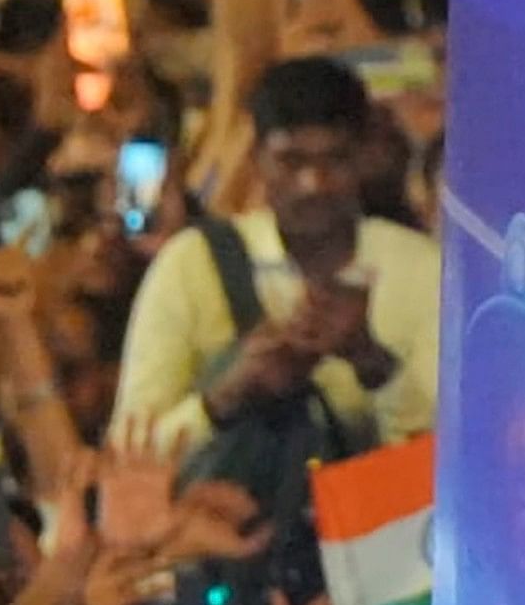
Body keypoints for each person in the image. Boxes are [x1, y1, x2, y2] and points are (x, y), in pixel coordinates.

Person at [110, 56, 443, 458]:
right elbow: (130, 458)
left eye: (334, 161)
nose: (313, 185)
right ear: (256, 160)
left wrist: (371, 363)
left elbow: (446, 457)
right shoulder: (194, 265)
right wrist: (229, 395)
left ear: (363, 159)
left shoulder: (420, 268)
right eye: (292, 161)